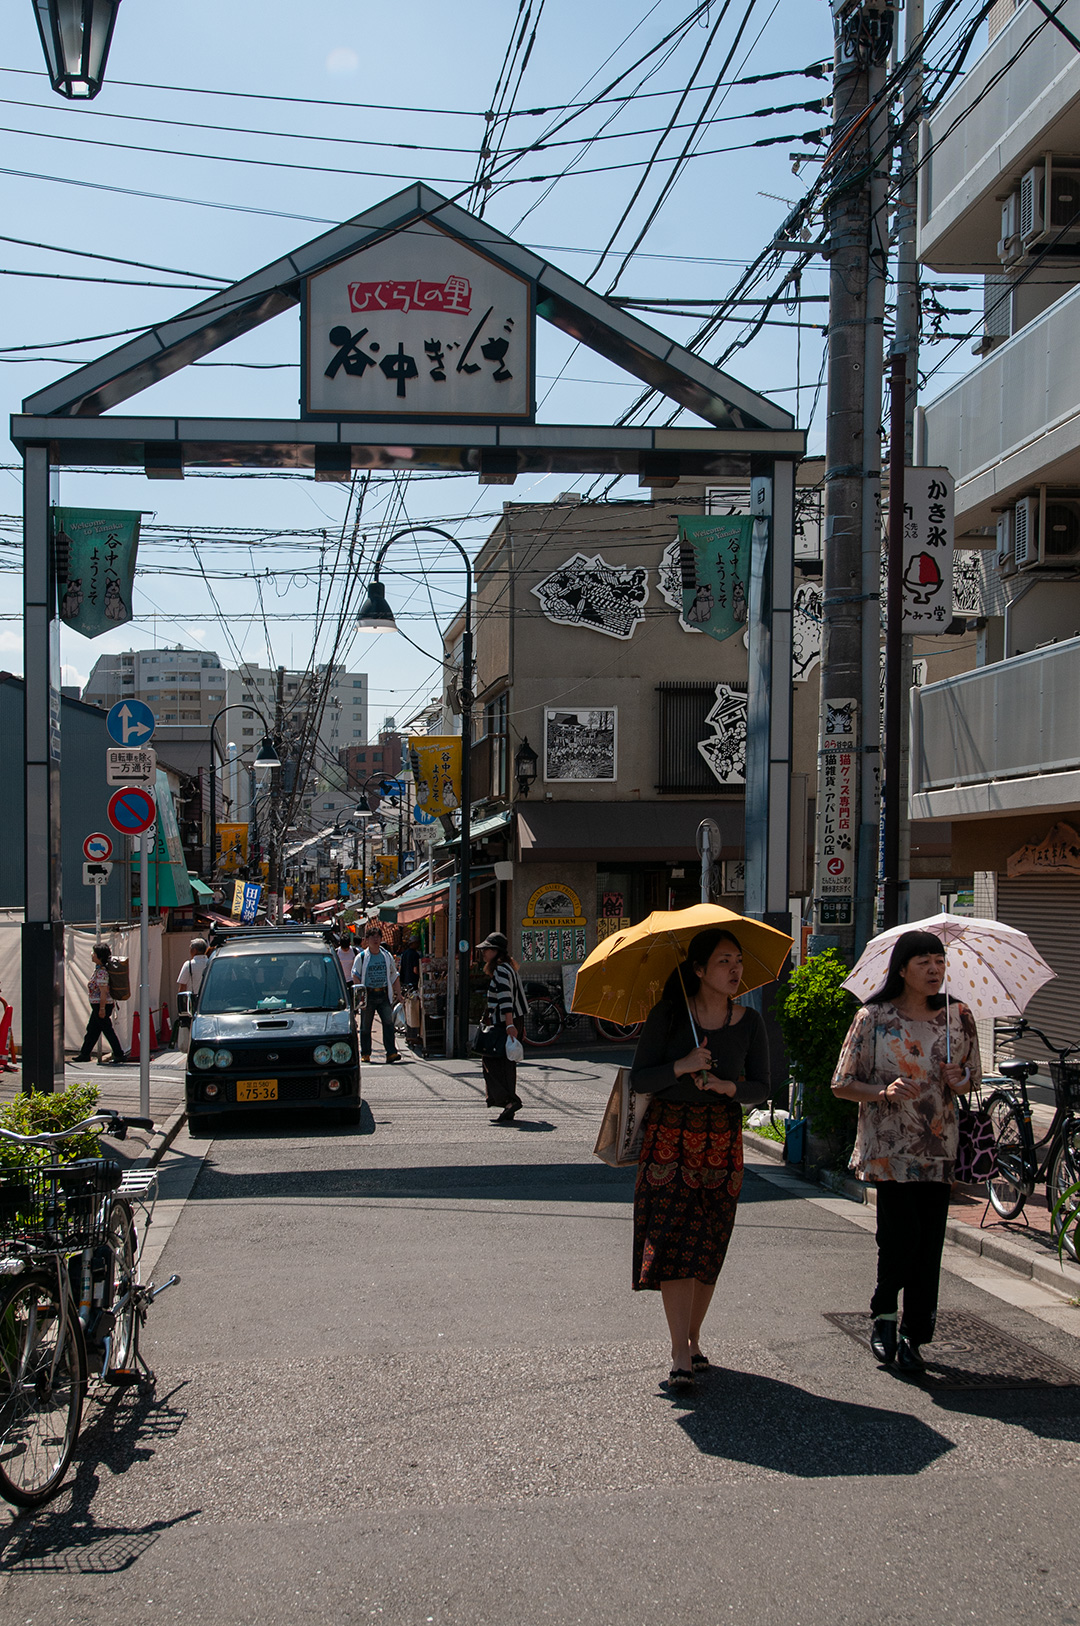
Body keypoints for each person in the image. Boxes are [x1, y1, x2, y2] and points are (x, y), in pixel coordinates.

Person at [831, 929, 980, 1374]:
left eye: (939, 961)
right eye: (924, 962)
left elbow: (975, 1076)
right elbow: (841, 1084)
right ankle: (883, 1316)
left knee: (929, 1241)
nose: (935, 970)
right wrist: (883, 1090)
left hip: (938, 1147)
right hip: (889, 1147)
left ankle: (917, 1332)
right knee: (899, 1238)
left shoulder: (958, 1016)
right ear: (901, 969)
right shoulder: (873, 1018)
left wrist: (962, 1080)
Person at [629, 927, 770, 1393]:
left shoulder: (750, 1023)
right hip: (669, 1142)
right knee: (674, 1245)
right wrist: (683, 1067)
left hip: (722, 1144)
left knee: (710, 1244)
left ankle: (692, 1337)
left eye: (738, 961)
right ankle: (678, 1354)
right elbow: (640, 1081)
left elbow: (764, 1086)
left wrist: (731, 1088)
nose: (735, 970)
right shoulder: (668, 1016)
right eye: (724, 961)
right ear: (698, 970)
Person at [477, 932, 526, 1123]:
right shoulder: (509, 968)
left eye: (486, 949)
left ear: (495, 951)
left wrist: (510, 1025)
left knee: (492, 1063)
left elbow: (506, 1000)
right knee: (506, 1064)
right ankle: (508, 1104)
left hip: (505, 1022)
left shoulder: (501, 970)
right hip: (512, 1021)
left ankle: (509, 1101)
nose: (484, 953)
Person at [73, 943, 126, 1066]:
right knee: (92, 1029)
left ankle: (119, 1054)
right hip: (99, 1005)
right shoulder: (98, 970)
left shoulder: (102, 972)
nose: (92, 955)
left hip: (102, 1005)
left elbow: (103, 992)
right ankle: (85, 1053)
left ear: (99, 956)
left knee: (107, 1030)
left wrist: (102, 1009)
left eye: (94, 953)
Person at [355, 924, 402, 1063]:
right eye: (372, 937)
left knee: (388, 1023)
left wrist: (398, 993)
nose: (375, 940)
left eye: (378, 937)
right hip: (368, 994)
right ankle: (366, 1053)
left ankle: (391, 1053)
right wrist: (359, 995)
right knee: (365, 1026)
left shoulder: (386, 956)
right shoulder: (362, 957)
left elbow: (394, 975)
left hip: (383, 993)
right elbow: (355, 975)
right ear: (366, 940)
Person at [176, 937, 210, 1009]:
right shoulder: (211, 963)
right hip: (210, 999)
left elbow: (182, 986)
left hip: (194, 1001)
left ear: (194, 950)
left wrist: (181, 1005)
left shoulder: (189, 964)